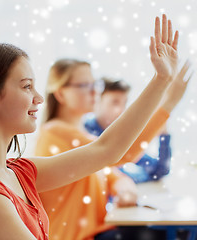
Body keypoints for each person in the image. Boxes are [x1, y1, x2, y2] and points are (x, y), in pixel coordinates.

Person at [0, 15, 182, 240]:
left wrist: (161, 80)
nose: (39, 98)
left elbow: (108, 150)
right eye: (25, 86)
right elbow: (111, 151)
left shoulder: (18, 172)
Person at [34, 19, 191, 240]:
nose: (94, 92)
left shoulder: (81, 136)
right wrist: (167, 102)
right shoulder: (55, 132)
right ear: (60, 94)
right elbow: (119, 152)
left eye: (94, 84)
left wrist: (124, 185)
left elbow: (111, 173)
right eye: (84, 85)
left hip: (99, 231)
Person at [84, 77, 174, 183]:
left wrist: (163, 133)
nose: (121, 110)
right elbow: (115, 178)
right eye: (115, 102)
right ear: (97, 102)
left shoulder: (120, 134)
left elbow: (159, 170)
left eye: (124, 103)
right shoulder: (85, 131)